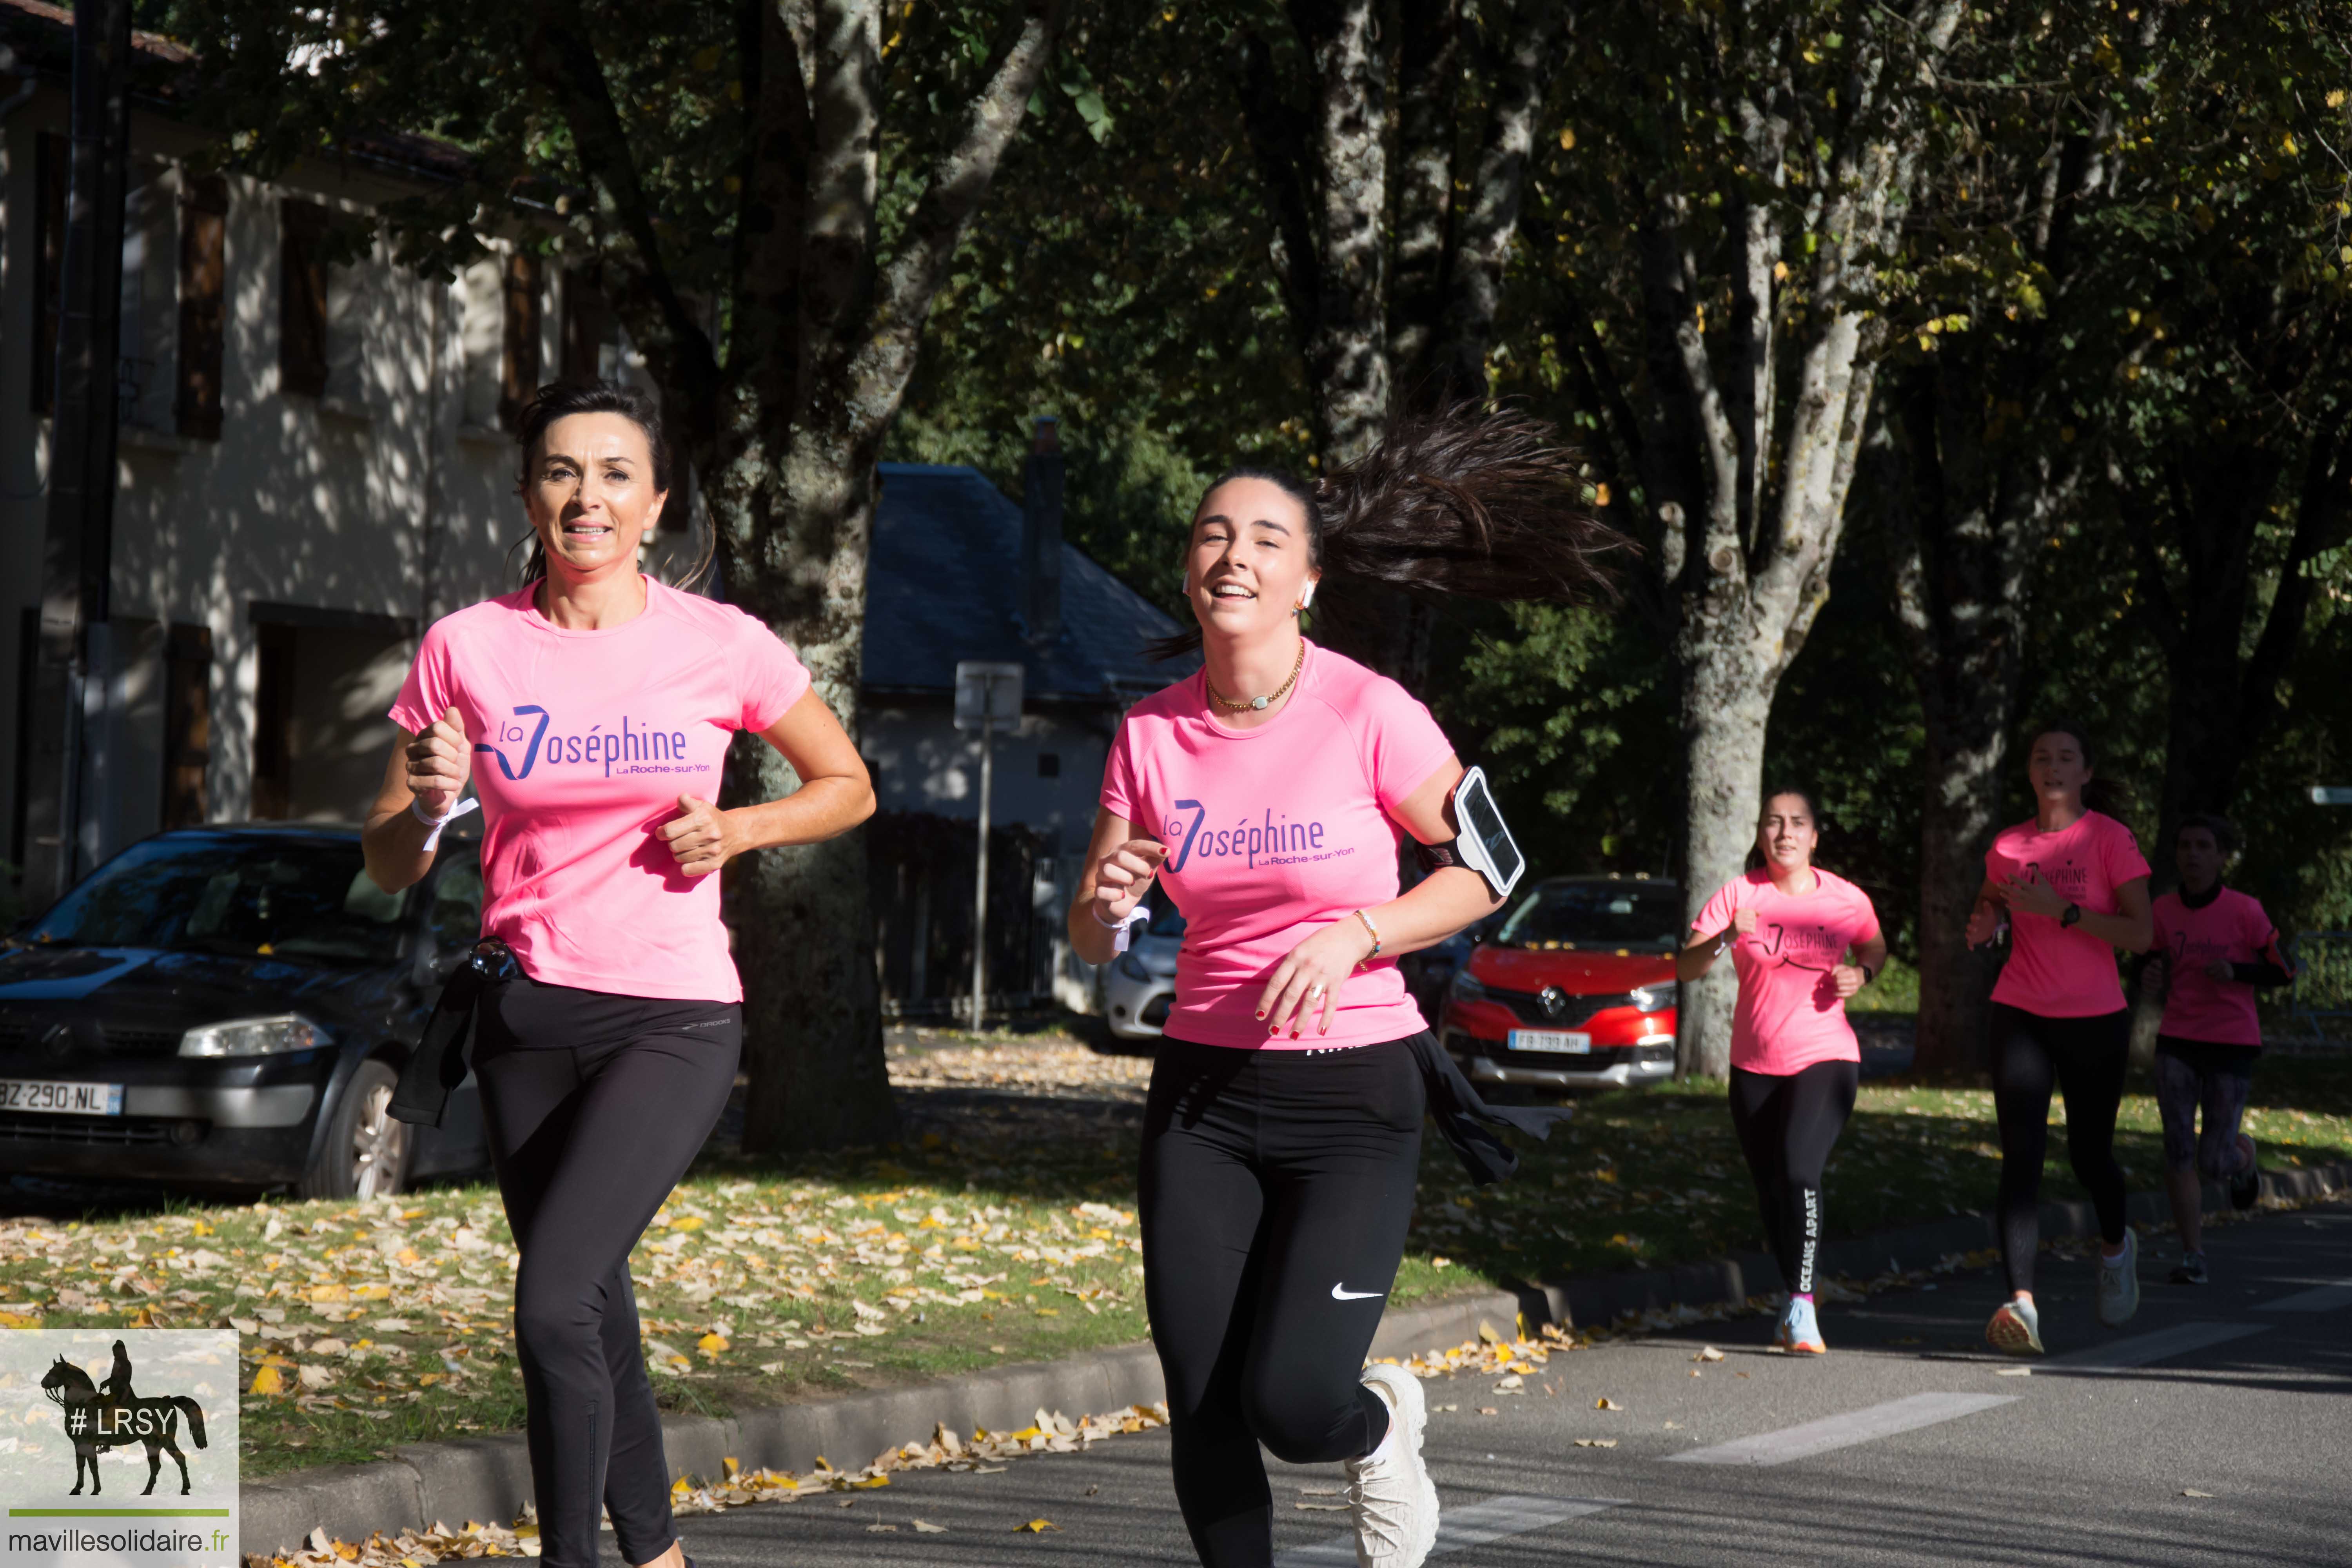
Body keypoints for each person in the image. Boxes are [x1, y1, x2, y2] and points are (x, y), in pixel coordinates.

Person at [1069, 408, 1618, 1568]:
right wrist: (1104, 899)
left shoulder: (1368, 710)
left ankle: (1378, 1423)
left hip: (1355, 1096)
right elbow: (1092, 925)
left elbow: (1490, 868)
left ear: (1305, 579)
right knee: (1203, 1394)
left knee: (1293, 1402)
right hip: (1203, 1095)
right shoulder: (1148, 736)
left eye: (1266, 538)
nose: (1234, 556)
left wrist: (1361, 932)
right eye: (1213, 534)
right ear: (1188, 566)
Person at [361, 379, 875, 1568]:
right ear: (528, 493)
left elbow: (847, 784)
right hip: (524, 1012)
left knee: (551, 1301)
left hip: (674, 1016)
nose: (583, 496)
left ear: (654, 503)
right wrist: (434, 804)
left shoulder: (721, 642)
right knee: (592, 1309)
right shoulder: (466, 646)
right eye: (557, 471)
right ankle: (656, 1555)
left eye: (610, 474)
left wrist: (738, 831)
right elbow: (387, 862)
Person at [1964, 722, 2153, 1355]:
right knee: (2022, 1154)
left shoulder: (2109, 839)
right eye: (2041, 756)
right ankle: (2023, 1305)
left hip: (2096, 1016)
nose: (2053, 766)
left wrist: (2062, 910)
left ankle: (2115, 1247)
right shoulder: (2009, 845)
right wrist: (1987, 922)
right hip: (2020, 1010)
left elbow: (2141, 934)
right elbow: (1992, 900)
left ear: (2085, 772)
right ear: (2029, 772)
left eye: (2066, 757)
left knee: (2089, 1155)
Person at [1678, 788, 1886, 1355]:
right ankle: (1793, 1300)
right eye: (1774, 823)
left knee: (1799, 1169)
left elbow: (1874, 946)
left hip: (1827, 1055)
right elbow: (1687, 967)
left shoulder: (1845, 899)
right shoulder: (1739, 895)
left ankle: (1802, 1307)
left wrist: (1862, 975)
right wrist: (1725, 936)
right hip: (1754, 1066)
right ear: (1761, 833)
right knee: (1772, 1190)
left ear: (1814, 837)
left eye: (1798, 823)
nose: (1785, 833)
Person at [2147, 815, 2291, 1284]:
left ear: (2221, 856)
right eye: (2185, 845)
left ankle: (2243, 1155)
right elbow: (2146, 961)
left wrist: (2238, 971)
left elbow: (2284, 971)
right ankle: (2193, 1256)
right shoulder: (2163, 909)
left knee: (2214, 1162)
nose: (2192, 854)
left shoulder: (2246, 911)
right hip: (2177, 1040)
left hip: (2231, 1041)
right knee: (2178, 1148)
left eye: (2203, 846)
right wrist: (2146, 975)